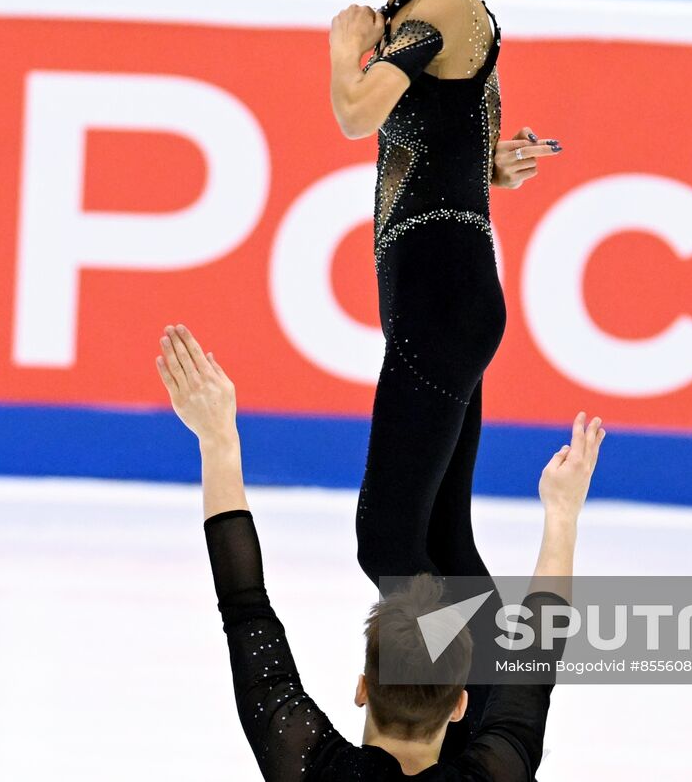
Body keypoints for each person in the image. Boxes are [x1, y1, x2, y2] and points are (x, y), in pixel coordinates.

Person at [155, 322, 605, 780]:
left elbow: (245, 607)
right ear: (460, 705)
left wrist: (218, 441)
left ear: (362, 688)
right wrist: (562, 513)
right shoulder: (495, 770)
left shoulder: (307, 763)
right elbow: (534, 660)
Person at [326, 0, 581, 590]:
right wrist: (490, 164)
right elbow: (470, 124)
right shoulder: (431, 4)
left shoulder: (433, 4)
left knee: (390, 541)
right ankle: (482, 710)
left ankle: (468, 707)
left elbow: (356, 113)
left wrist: (346, 51)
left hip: (441, 293)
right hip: (443, 292)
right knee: (439, 538)